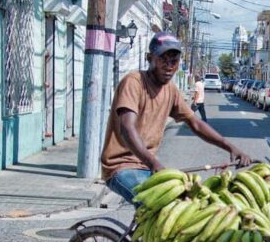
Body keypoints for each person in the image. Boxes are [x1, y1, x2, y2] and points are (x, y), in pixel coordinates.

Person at [100, 31, 250, 204]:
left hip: (146, 166)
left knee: (186, 202)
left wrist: (231, 147)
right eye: (163, 59)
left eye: (174, 61)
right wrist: (153, 162)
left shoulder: (170, 90)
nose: (169, 66)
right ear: (150, 58)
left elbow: (195, 123)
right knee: (158, 206)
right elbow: (127, 128)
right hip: (121, 167)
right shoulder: (134, 82)